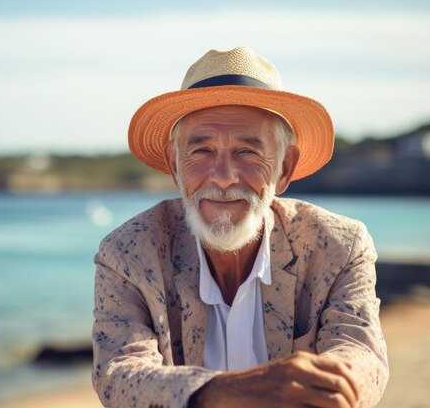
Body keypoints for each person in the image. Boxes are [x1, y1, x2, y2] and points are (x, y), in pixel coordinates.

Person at [92, 47, 388, 408]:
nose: (223, 176)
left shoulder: (338, 246)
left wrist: (330, 384)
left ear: (284, 168)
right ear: (174, 164)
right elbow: (119, 375)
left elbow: (361, 354)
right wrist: (239, 390)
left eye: (247, 152)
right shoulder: (128, 253)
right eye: (201, 152)